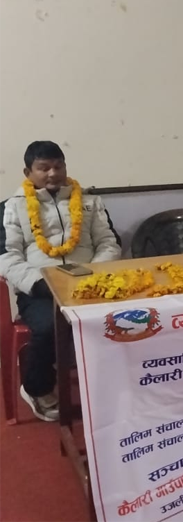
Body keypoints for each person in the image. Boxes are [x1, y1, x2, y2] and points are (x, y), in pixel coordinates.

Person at [0, 141, 121, 421]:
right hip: (40, 288)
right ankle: (36, 388)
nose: (53, 173)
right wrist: (40, 283)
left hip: (90, 283)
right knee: (48, 326)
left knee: (127, 319)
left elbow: (110, 243)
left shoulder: (90, 202)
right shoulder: (10, 208)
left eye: (58, 166)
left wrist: (92, 275)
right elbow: (6, 255)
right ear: (28, 172)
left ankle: (116, 383)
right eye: (44, 168)